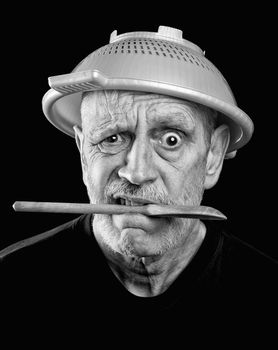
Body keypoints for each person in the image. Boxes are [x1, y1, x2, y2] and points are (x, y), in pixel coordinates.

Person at [1, 26, 277, 336]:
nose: (136, 172)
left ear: (213, 155)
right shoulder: (11, 281)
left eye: (171, 139)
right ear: (82, 153)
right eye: (112, 137)